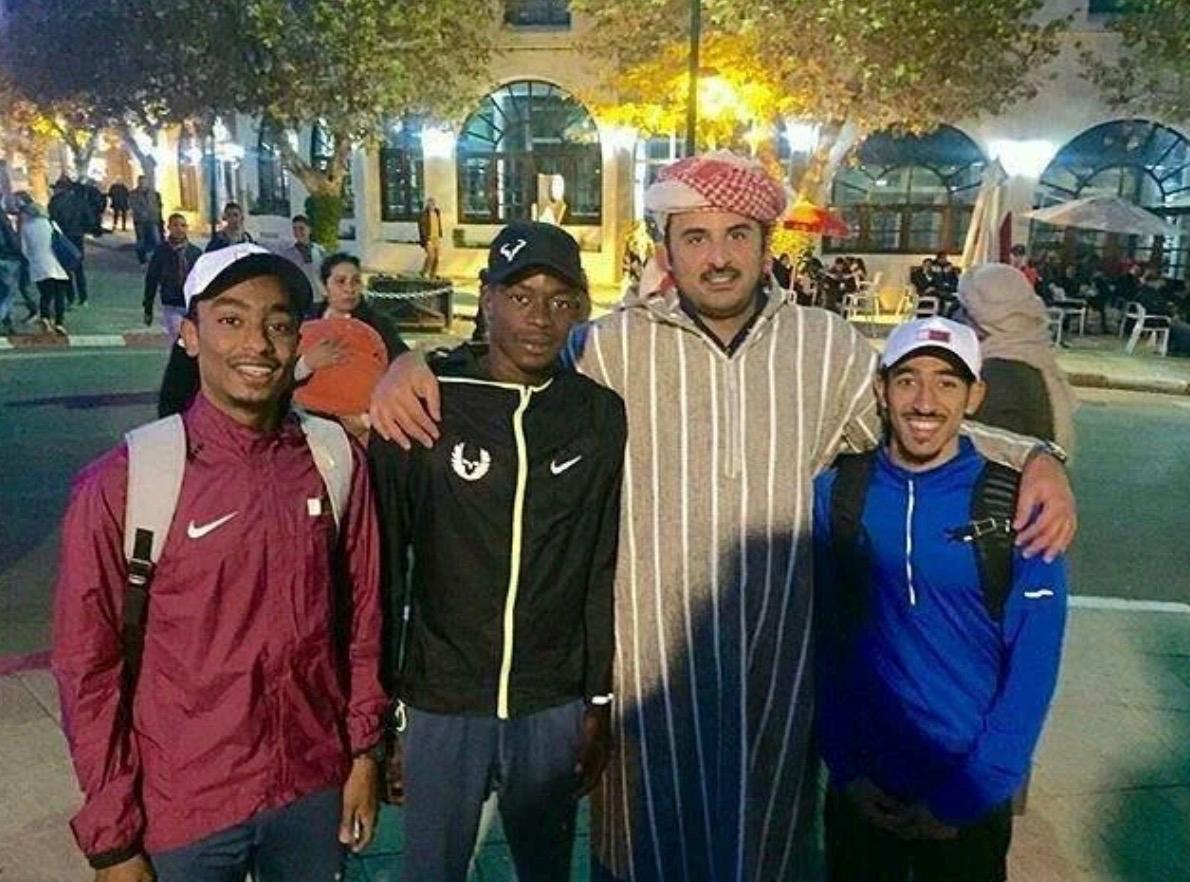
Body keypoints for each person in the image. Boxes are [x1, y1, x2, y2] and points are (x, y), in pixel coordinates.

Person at [367, 152, 1077, 882]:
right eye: (696, 237)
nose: (717, 257)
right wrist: (415, 364)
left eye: (737, 234)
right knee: (641, 852)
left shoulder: (826, 349)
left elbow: (920, 419)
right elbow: (511, 366)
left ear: (766, 245)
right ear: (667, 249)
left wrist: (1035, 454)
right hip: (649, 684)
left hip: (773, 679)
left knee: (761, 854)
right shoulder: (610, 345)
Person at [52, 243, 388, 882]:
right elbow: (87, 669)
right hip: (187, 808)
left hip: (311, 787)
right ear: (189, 335)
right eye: (230, 320)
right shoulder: (126, 482)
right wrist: (113, 840)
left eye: (278, 324)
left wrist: (364, 753)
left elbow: (364, 619)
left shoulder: (334, 461)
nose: (257, 344)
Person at [370, 221, 625, 882]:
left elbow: (599, 564)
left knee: (546, 870)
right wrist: (382, 712)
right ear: (485, 298)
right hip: (442, 698)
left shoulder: (598, 414)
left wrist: (597, 699)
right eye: (520, 296)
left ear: (581, 308)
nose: (540, 317)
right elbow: (384, 571)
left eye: (560, 300)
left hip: (551, 699)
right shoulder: (424, 407)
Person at [814, 317, 1067, 882]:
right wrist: (846, 768)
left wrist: (973, 792)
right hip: (863, 790)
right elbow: (825, 640)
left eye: (947, 383)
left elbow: (1034, 664)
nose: (925, 401)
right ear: (882, 390)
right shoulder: (838, 494)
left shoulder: (1019, 506)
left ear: (974, 396)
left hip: (966, 792)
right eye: (908, 380)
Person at [958, 263, 1078, 453]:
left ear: (982, 320)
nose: (958, 318)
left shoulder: (995, 375)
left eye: (965, 310)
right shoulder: (1034, 355)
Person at [294, 253, 407, 440]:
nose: (349, 289)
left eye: (355, 281)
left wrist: (367, 418)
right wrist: (306, 364)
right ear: (323, 287)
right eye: (340, 282)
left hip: (363, 423)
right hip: (307, 419)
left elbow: (400, 366)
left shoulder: (379, 325)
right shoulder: (302, 320)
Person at [14, 191, 71, 335]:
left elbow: (24, 249)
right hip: (57, 264)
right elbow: (61, 241)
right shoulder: (50, 224)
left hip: (39, 266)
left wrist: (32, 259)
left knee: (46, 294)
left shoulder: (26, 227)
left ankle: (45, 318)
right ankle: (59, 322)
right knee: (59, 294)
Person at [143, 213, 203, 342]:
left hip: (191, 304)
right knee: (178, 336)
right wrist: (148, 307)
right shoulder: (161, 252)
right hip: (171, 302)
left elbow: (202, 279)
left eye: (183, 225)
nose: (179, 229)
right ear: (169, 227)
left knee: (193, 340)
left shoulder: (195, 252)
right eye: (175, 225)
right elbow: (151, 279)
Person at [49, 176, 92, 306]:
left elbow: (52, 220)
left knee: (65, 268)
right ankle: (83, 297)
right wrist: (83, 228)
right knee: (78, 267)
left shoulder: (55, 202)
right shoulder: (80, 201)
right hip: (77, 235)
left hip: (63, 236)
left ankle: (70, 297)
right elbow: (89, 218)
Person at [275, 214, 326, 300]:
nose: (297, 232)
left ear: (309, 230)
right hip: (299, 298)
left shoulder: (320, 251)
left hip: (318, 298)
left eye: (301, 228)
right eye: (295, 229)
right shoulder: (288, 254)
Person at [0, 204, 30, 334]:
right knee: (8, 293)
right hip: (7, 257)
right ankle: (5, 319)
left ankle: (8, 322)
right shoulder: (2, 218)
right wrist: (19, 252)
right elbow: (11, 239)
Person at [129, 175, 163, 263]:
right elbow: (133, 205)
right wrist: (141, 212)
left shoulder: (153, 194)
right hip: (140, 220)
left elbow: (158, 205)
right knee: (141, 240)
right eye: (141, 182)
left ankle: (157, 258)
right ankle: (142, 259)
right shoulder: (133, 194)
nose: (143, 184)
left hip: (152, 220)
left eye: (144, 182)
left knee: (156, 239)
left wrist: (157, 215)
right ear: (138, 182)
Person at [417, 197, 443, 278]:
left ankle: (433, 274)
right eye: (430, 204)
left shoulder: (437, 212)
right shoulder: (424, 214)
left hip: (436, 238)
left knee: (437, 257)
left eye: (433, 204)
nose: (432, 205)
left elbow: (438, 224)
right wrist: (426, 239)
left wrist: (440, 235)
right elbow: (422, 228)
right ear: (428, 205)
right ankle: (423, 272)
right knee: (431, 256)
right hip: (428, 238)